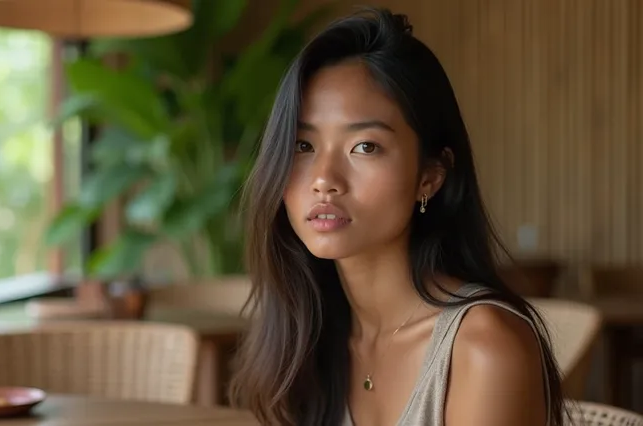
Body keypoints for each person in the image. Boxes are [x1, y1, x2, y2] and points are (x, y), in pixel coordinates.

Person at [228, 7, 566, 426]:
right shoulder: (305, 340)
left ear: (429, 176)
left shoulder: (483, 348)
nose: (324, 180)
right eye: (302, 146)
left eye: (365, 147)